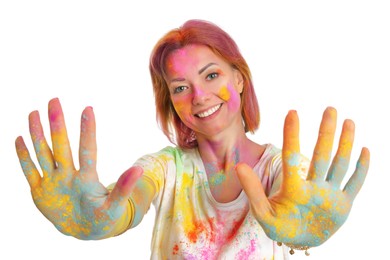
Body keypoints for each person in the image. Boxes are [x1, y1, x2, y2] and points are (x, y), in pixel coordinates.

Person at [15, 19, 370, 259]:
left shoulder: (281, 171)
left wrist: (302, 233)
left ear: (240, 80)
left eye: (212, 75)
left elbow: (294, 210)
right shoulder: (165, 168)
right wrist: (103, 219)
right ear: (171, 103)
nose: (199, 96)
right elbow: (130, 202)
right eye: (181, 88)